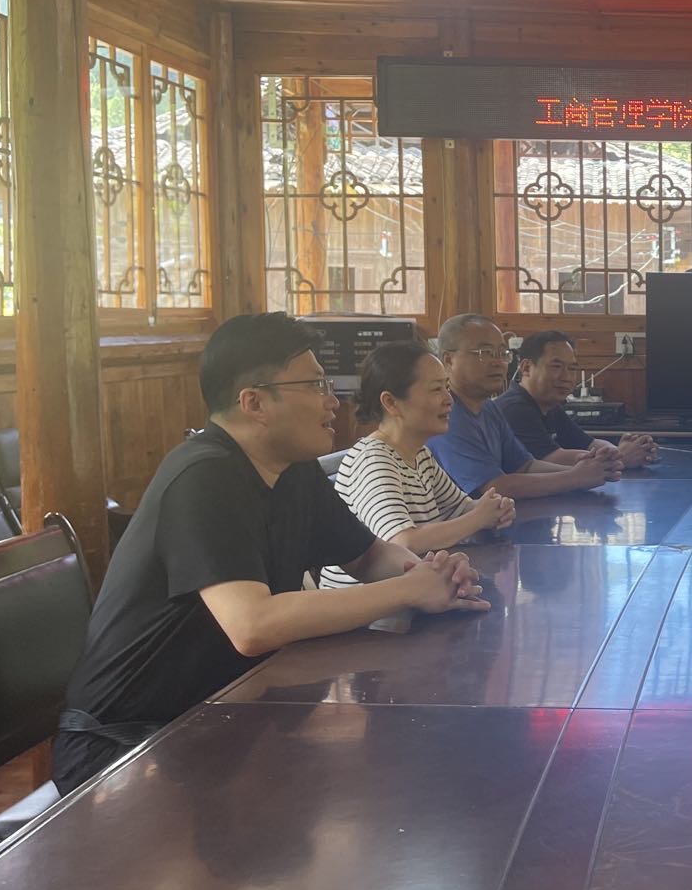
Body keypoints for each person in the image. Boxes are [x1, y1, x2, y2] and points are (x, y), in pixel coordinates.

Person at [53, 313, 489, 795]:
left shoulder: (293, 470)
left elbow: (366, 557)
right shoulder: (203, 477)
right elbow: (252, 625)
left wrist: (434, 575)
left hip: (223, 717)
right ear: (255, 403)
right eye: (315, 385)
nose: (333, 400)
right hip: (125, 748)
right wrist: (408, 590)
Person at [319, 340, 516, 588]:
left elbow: (463, 509)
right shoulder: (373, 459)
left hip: (412, 591)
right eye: (436, 389)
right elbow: (401, 541)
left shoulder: (420, 454)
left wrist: (494, 509)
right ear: (391, 403)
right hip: (366, 604)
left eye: (447, 387)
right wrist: (478, 518)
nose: (449, 399)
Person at [427, 313, 618, 498]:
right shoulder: (446, 414)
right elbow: (494, 487)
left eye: (502, 353)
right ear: (449, 360)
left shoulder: (488, 408)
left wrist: (582, 468)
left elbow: (525, 466)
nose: (498, 362)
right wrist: (574, 477)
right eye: (485, 353)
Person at [494, 329, 660, 470]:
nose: (566, 377)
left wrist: (617, 450)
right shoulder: (514, 408)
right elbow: (551, 459)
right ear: (526, 368)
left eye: (572, 368)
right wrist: (621, 457)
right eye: (556, 366)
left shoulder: (550, 406)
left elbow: (589, 443)